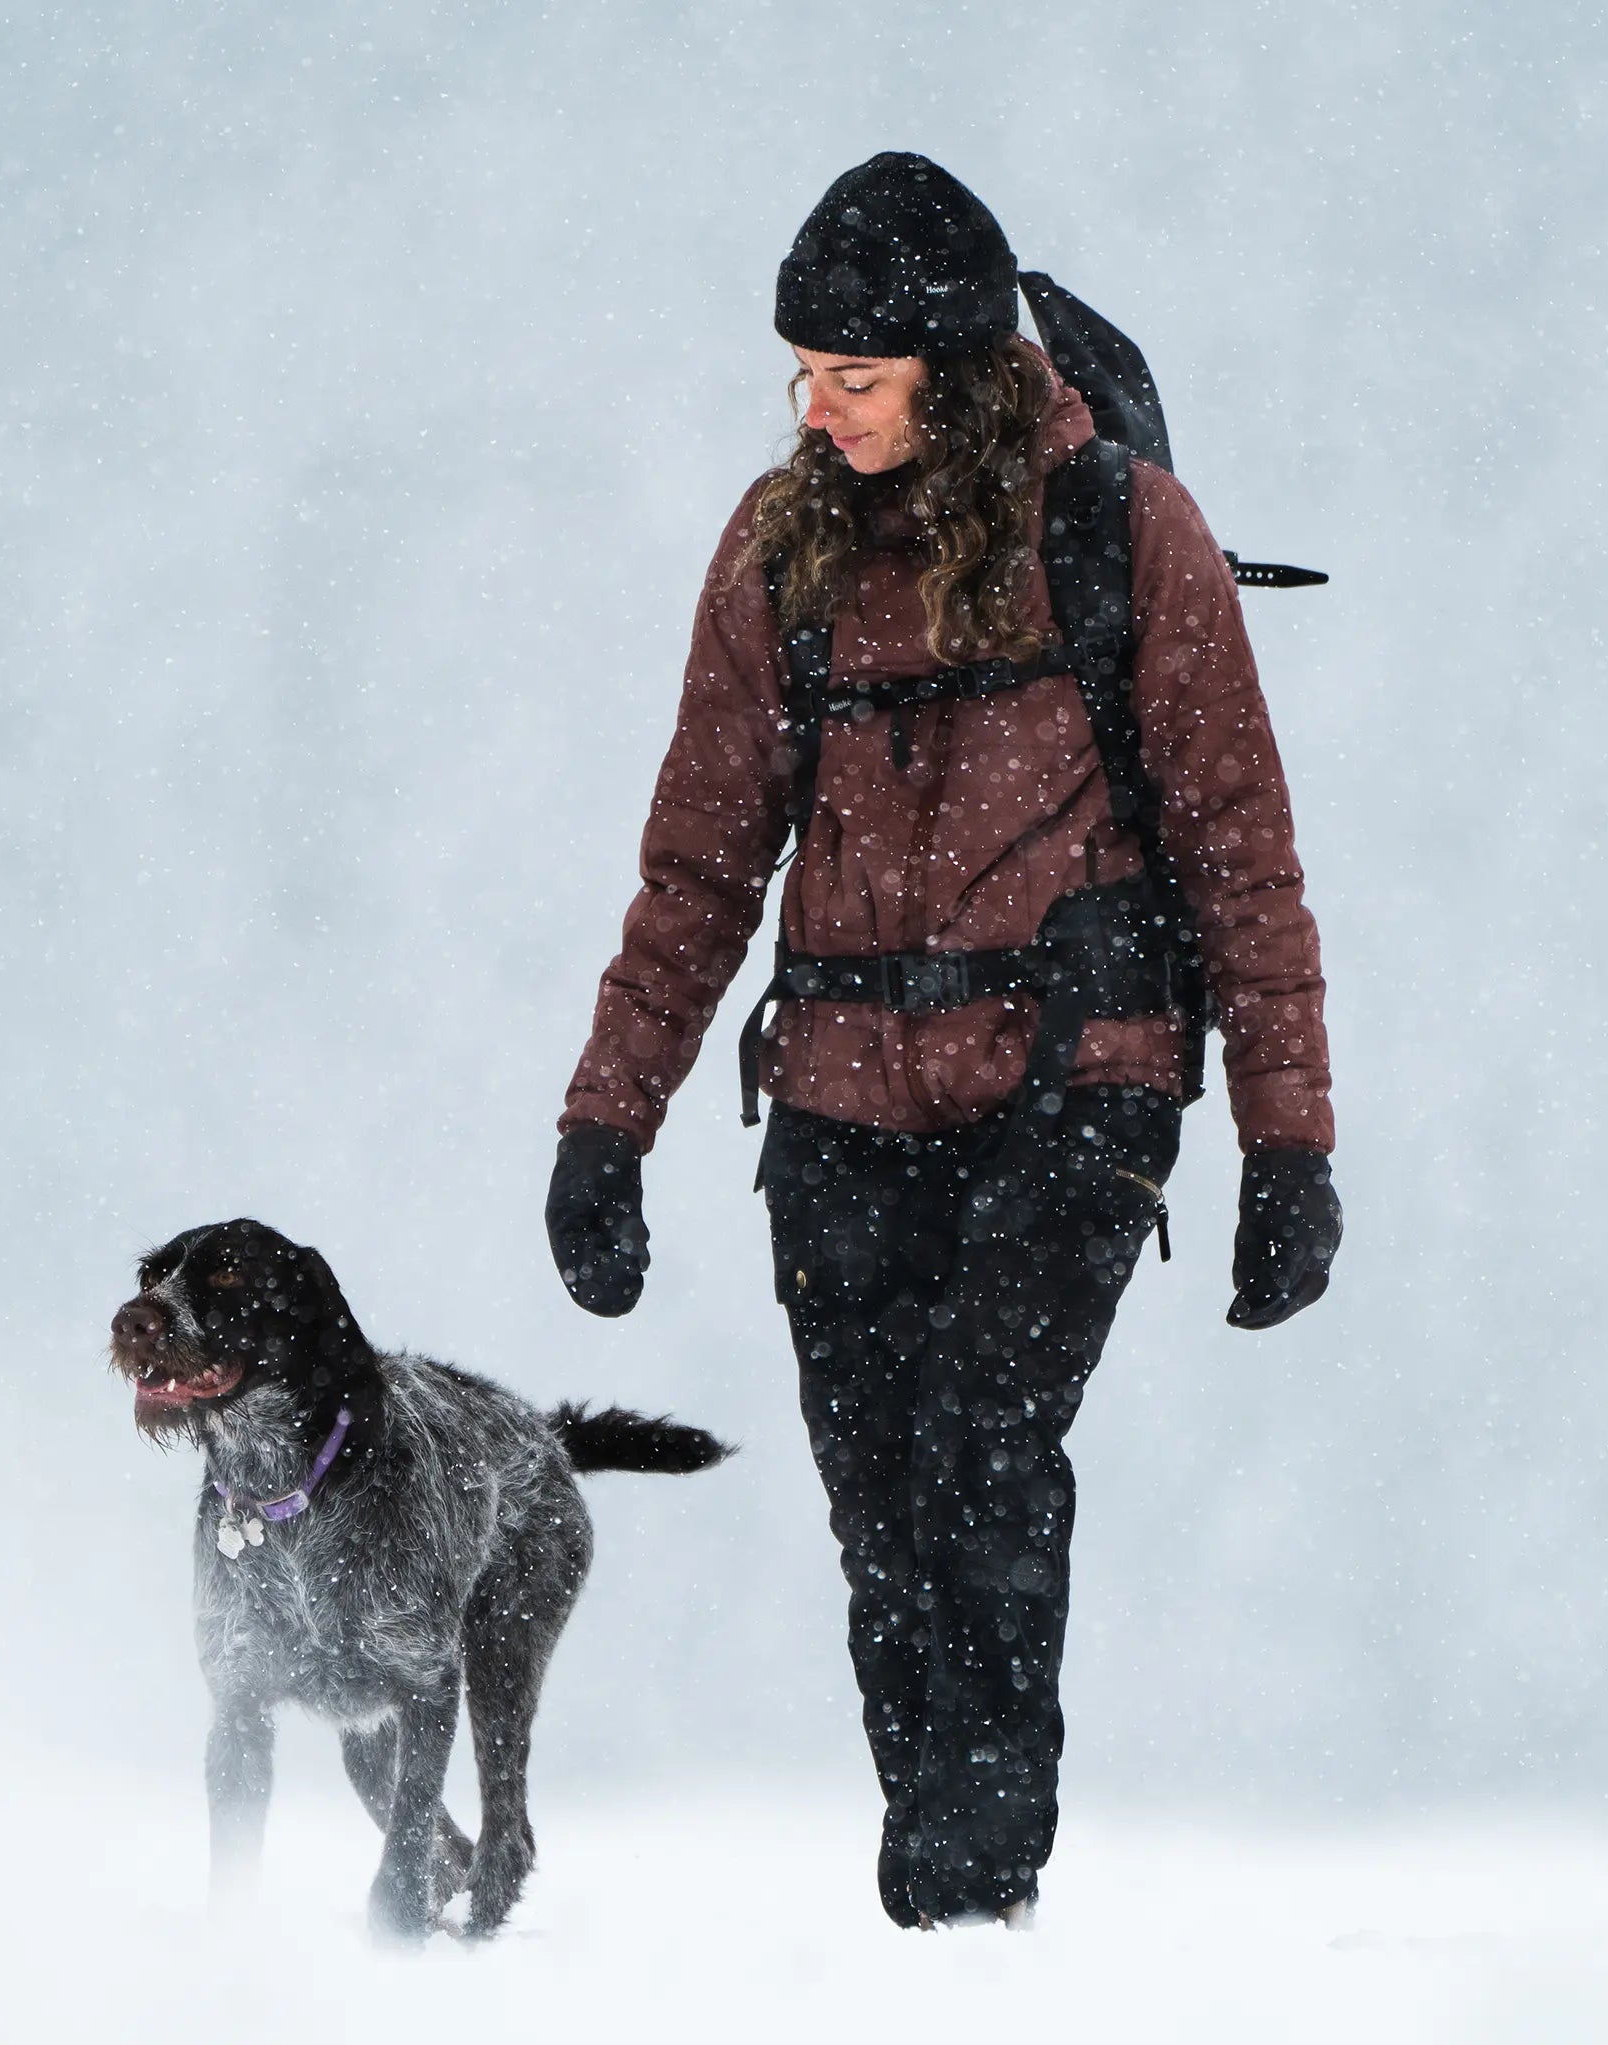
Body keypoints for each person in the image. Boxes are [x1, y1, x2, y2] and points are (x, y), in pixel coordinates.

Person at [546, 154, 1339, 1929]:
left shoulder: (1123, 533)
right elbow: (698, 863)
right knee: (881, 1509)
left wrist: (1291, 1150)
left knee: (986, 1450)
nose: (812, 411)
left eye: (853, 378)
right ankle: (952, 1904)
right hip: (832, 1105)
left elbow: (1240, 848)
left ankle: (971, 1895)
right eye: (799, 374)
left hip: (1076, 1086)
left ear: (958, 374)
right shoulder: (777, 547)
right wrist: (609, 1125)